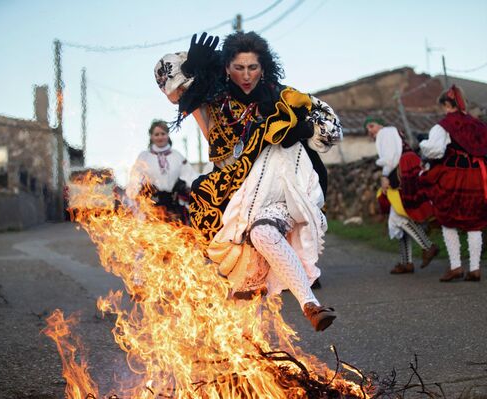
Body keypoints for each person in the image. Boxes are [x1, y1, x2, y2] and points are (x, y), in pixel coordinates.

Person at [154, 32, 342, 331]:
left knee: (265, 233)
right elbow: (166, 78)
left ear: (263, 67)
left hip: (279, 187)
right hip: (231, 195)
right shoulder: (209, 94)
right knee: (243, 287)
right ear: (226, 67)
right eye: (239, 68)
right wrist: (191, 68)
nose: (246, 75)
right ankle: (247, 360)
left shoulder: (281, 95)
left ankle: (311, 306)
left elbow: (330, 127)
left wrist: (304, 129)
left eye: (252, 68)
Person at [419, 85, 487, 282]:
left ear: (448, 104)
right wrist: (481, 153)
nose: (444, 111)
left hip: (453, 177)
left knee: (448, 220)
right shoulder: (478, 125)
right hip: (477, 177)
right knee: (474, 223)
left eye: (444, 107)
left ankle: (456, 266)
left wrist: (423, 144)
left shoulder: (443, 126)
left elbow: (434, 151)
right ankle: (475, 269)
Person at [365, 116, 439, 274]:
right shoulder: (391, 132)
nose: (370, 131)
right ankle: (406, 262)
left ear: (380, 124)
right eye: (367, 129)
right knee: (399, 216)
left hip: (402, 170)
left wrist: (385, 175)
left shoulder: (385, 132)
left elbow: (391, 157)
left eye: (371, 126)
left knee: (398, 217)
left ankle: (428, 246)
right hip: (406, 168)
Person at [125, 119, 199, 223]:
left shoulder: (177, 156)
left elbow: (189, 177)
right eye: (156, 134)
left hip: (174, 206)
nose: (160, 137)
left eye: (163, 134)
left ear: (168, 135)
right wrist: (133, 196)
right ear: (151, 136)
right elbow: (135, 179)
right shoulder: (144, 156)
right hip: (152, 206)